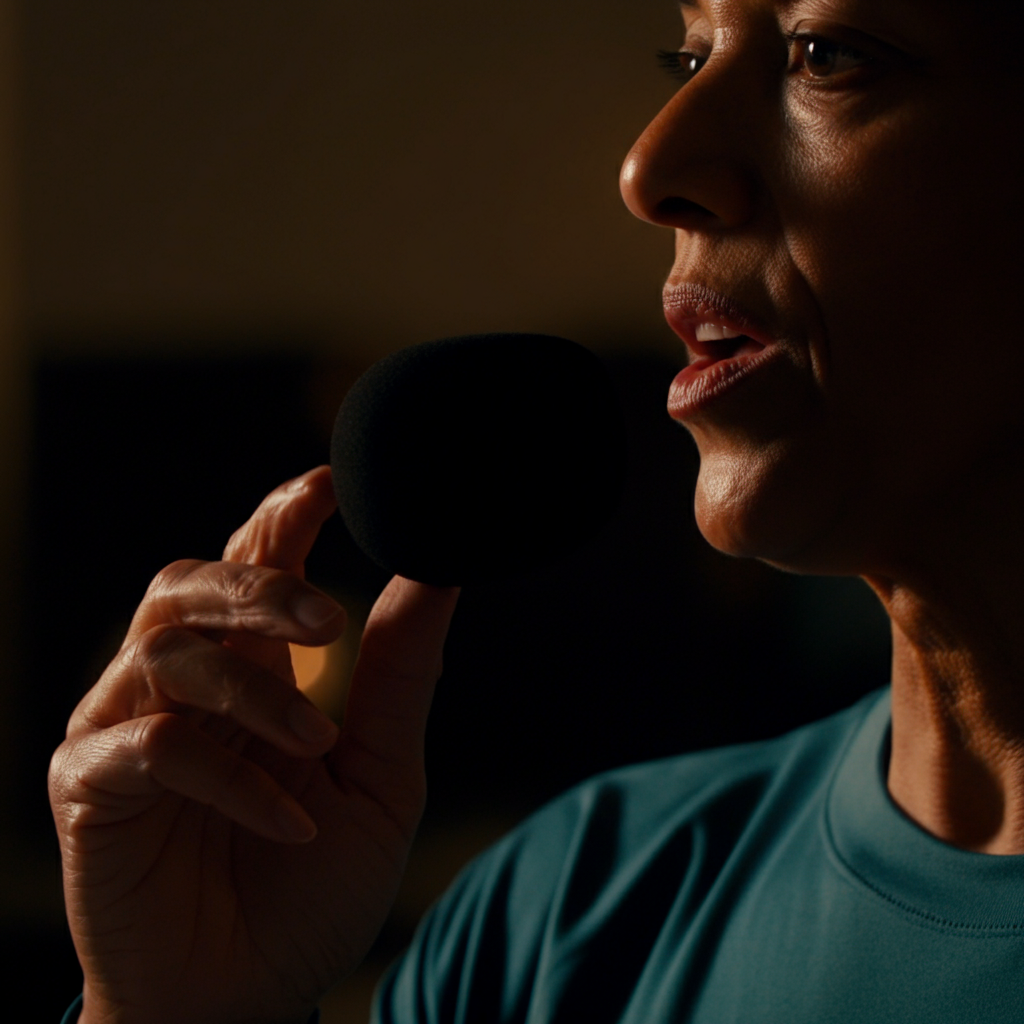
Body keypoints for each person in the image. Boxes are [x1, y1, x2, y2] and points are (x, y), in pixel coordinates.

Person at [51, 0, 1023, 1021]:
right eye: (686, 54)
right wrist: (182, 1008)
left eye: (825, 54)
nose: (648, 166)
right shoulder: (560, 920)